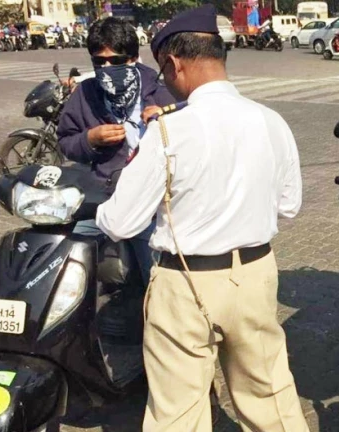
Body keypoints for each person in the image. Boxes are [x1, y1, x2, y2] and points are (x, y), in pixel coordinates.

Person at [94, 6, 308, 431]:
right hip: (254, 275)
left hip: (185, 283)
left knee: (179, 412)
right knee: (271, 401)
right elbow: (289, 205)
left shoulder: (169, 131)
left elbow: (119, 223)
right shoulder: (272, 121)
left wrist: (101, 205)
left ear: (175, 64)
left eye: (163, 73)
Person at [56, 17, 175, 286]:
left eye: (117, 61)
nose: (107, 67)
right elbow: (65, 141)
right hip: (104, 198)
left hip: (151, 205)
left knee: (156, 280)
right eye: (99, 61)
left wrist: (166, 121)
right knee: (70, 264)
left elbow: (191, 137)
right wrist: (90, 139)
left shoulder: (161, 89)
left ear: (134, 58)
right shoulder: (86, 92)